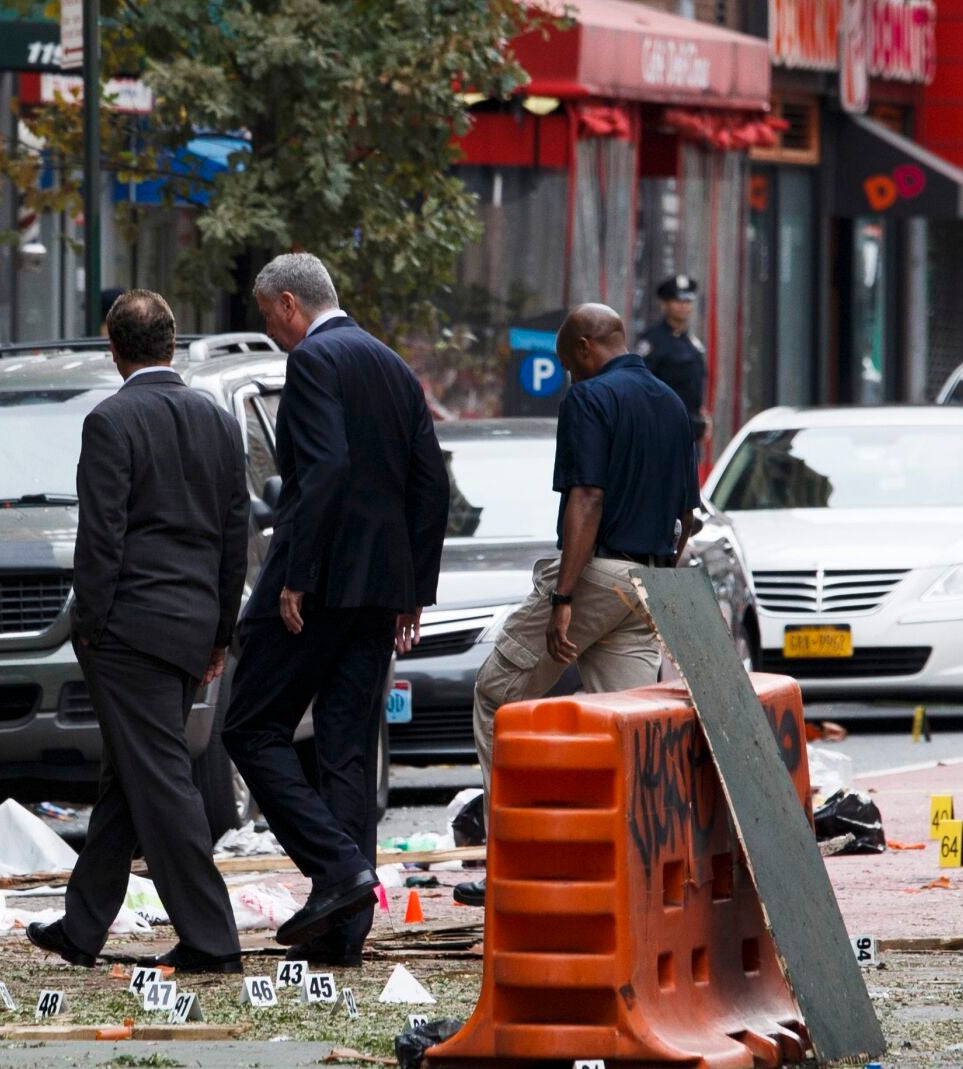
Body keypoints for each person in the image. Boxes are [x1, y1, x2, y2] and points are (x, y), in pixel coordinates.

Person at [221, 253, 449, 965]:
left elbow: (322, 472)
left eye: (268, 316)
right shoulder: (390, 363)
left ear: (290, 303)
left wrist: (295, 574)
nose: (272, 330)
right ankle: (343, 930)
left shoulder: (316, 361)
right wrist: (412, 587)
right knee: (347, 747)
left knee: (251, 725)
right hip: (381, 589)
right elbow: (430, 482)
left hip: (320, 585)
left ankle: (337, 869)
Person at [27, 290, 250, 973]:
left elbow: (102, 539)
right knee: (129, 777)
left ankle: (212, 938)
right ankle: (83, 925)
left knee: (158, 781)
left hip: (129, 631)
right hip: (188, 631)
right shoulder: (217, 421)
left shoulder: (111, 421)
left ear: (113, 346)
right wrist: (220, 632)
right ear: (173, 343)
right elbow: (233, 534)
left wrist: (88, 626)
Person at [454, 303, 700, 909]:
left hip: (598, 572)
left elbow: (586, 498)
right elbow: (688, 516)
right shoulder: (670, 403)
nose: (568, 376)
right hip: (650, 580)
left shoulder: (588, 400)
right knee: (632, 731)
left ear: (588, 348)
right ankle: (641, 877)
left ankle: (516, 865)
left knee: (497, 695)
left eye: (569, 364)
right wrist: (655, 579)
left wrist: (565, 595)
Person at [636, 275, 709, 459]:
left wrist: (703, 415)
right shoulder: (652, 341)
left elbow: (696, 386)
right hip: (661, 430)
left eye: (687, 300)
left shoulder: (693, 343)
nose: (683, 305)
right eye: (677, 300)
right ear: (665, 303)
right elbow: (641, 385)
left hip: (690, 430)